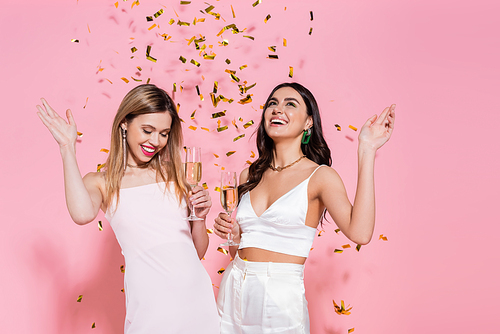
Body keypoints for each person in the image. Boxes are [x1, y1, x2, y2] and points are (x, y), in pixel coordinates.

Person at [213, 82, 395, 334]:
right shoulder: (249, 174)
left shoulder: (320, 177)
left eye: (290, 104)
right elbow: (238, 251)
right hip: (233, 289)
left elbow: (360, 233)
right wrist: (234, 235)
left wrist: (367, 149)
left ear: (309, 122)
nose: (277, 109)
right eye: (272, 104)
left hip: (280, 299)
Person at [36, 84, 220, 334]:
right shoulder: (102, 181)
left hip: (197, 302)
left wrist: (199, 218)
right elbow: (81, 214)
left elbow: (195, 253)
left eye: (164, 133)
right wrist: (67, 148)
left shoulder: (175, 174)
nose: (155, 141)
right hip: (150, 306)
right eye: (147, 130)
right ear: (124, 123)